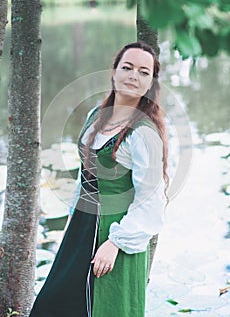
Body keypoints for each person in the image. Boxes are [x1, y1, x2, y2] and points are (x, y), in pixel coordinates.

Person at [29, 41, 169, 317]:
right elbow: (87, 177)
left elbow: (151, 199)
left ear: (151, 82)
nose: (133, 76)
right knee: (54, 304)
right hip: (82, 226)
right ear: (114, 72)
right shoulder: (97, 115)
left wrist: (116, 243)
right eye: (127, 67)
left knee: (104, 307)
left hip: (113, 231)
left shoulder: (143, 134)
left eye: (144, 72)